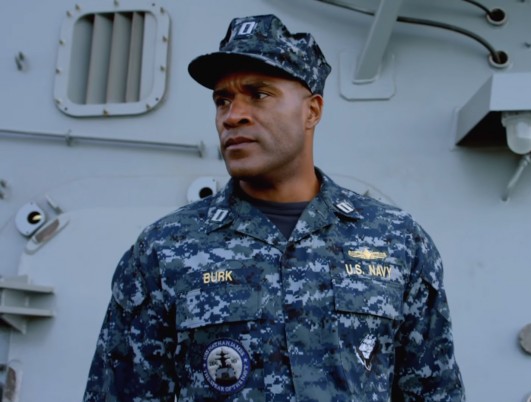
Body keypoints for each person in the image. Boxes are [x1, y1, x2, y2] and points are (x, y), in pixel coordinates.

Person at [84, 14, 465, 402]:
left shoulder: (395, 240)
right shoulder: (164, 249)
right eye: (222, 100)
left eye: (259, 94)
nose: (232, 116)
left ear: (312, 111)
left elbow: (435, 393)